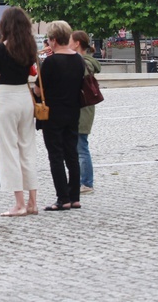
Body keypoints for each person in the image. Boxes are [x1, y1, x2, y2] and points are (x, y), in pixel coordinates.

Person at [0, 7, 39, 217]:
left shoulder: (0, 49)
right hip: (25, 97)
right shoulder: (30, 47)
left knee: (9, 149)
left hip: (7, 96)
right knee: (27, 148)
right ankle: (32, 202)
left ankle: (18, 203)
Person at [37, 21, 85, 211]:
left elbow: (39, 91)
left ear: (54, 40)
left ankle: (62, 198)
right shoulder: (78, 59)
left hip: (53, 114)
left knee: (56, 156)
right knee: (71, 154)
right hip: (73, 111)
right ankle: (75, 197)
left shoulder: (51, 61)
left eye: (48, 39)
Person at [70, 30, 101, 194]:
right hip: (79, 108)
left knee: (82, 146)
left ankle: (87, 183)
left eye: (70, 41)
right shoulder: (81, 60)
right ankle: (81, 181)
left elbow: (79, 74)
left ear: (77, 44)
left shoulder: (84, 62)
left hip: (84, 108)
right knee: (77, 146)